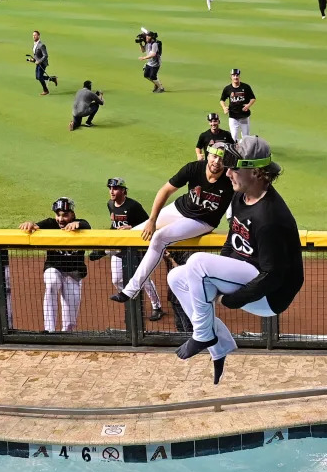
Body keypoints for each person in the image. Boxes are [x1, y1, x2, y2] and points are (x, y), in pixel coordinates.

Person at [167, 136, 303, 385]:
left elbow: (275, 276)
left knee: (197, 262)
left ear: (257, 172)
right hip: (249, 278)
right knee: (176, 277)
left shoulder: (270, 216)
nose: (227, 172)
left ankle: (203, 334)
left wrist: (232, 299)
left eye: (234, 167)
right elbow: (232, 240)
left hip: (270, 295)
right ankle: (218, 347)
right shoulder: (240, 197)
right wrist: (217, 280)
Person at [109, 142, 232, 306]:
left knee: (160, 237)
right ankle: (107, 255)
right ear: (207, 155)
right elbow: (165, 190)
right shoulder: (193, 168)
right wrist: (152, 220)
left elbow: (242, 203)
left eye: (222, 158)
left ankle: (131, 290)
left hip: (201, 221)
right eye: (214, 156)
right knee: (135, 234)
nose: (217, 161)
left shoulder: (231, 179)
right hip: (178, 208)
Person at [93, 178, 165, 321]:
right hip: (119, 247)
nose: (112, 191)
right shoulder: (110, 204)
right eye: (110, 188)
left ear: (123, 191)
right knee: (116, 280)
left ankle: (157, 307)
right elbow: (114, 226)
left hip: (134, 249)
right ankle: (132, 302)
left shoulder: (133, 206)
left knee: (143, 279)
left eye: (115, 188)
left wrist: (131, 228)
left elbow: (148, 224)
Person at [19, 197, 90, 332]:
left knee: (70, 322)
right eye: (58, 215)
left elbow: (87, 225)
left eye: (65, 215)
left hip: (74, 274)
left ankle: (66, 336)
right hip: (54, 269)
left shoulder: (81, 224)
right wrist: (30, 223)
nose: (61, 219)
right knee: (52, 282)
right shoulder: (50, 223)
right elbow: (35, 226)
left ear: (73, 214)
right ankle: (49, 330)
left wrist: (78, 225)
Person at [219, 69, 256, 141]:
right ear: (231, 77)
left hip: (244, 116)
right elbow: (222, 100)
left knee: (246, 137)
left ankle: (245, 151)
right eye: (234, 75)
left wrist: (248, 105)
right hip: (233, 116)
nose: (235, 77)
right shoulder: (227, 88)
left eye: (237, 75)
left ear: (239, 76)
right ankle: (235, 151)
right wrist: (224, 107)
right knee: (233, 137)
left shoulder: (246, 87)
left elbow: (253, 98)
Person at [30, 30, 58, 96]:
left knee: (39, 77)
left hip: (42, 63)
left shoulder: (41, 45)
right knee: (37, 77)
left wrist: (39, 61)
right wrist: (33, 59)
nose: (34, 36)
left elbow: (45, 55)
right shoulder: (34, 45)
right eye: (33, 35)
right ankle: (53, 78)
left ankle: (46, 90)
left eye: (35, 35)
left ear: (38, 36)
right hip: (38, 63)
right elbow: (36, 55)